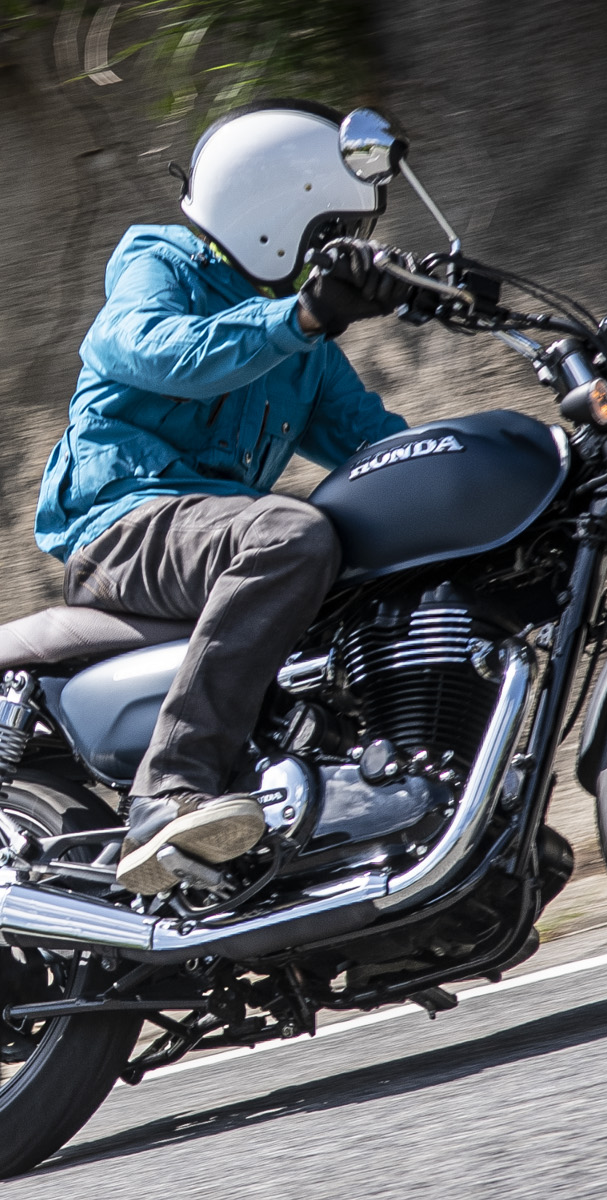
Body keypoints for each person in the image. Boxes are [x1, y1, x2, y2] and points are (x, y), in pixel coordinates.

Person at [35, 99, 423, 897]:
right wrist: (305, 315)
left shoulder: (303, 348)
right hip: (123, 526)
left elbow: (379, 446)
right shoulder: (159, 262)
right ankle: (166, 789)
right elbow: (157, 349)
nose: (345, 249)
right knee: (292, 534)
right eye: (333, 230)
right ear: (282, 212)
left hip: (207, 536)